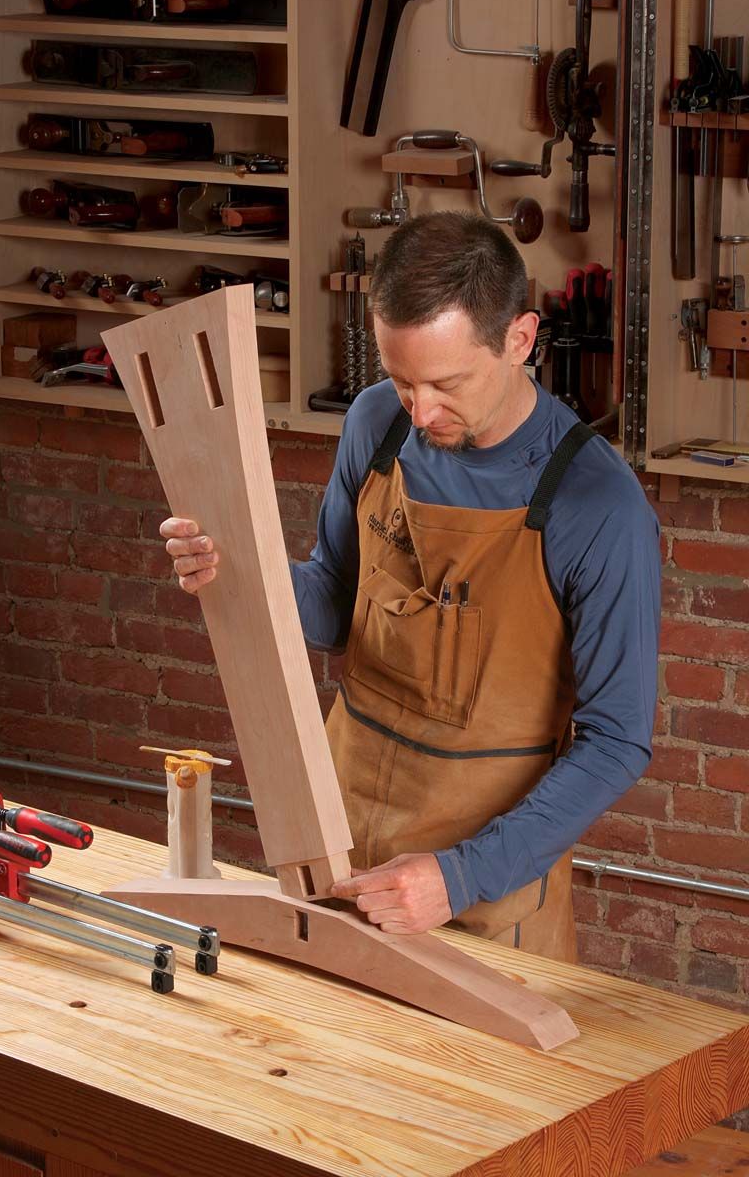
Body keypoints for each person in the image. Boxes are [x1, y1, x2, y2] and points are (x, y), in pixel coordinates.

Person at [161, 211, 660, 963]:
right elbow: (334, 603)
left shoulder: (599, 506)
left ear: (520, 340)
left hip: (482, 887)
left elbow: (617, 740)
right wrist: (242, 572)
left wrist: (459, 877)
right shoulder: (375, 424)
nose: (422, 413)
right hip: (338, 841)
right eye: (401, 381)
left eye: (447, 384)